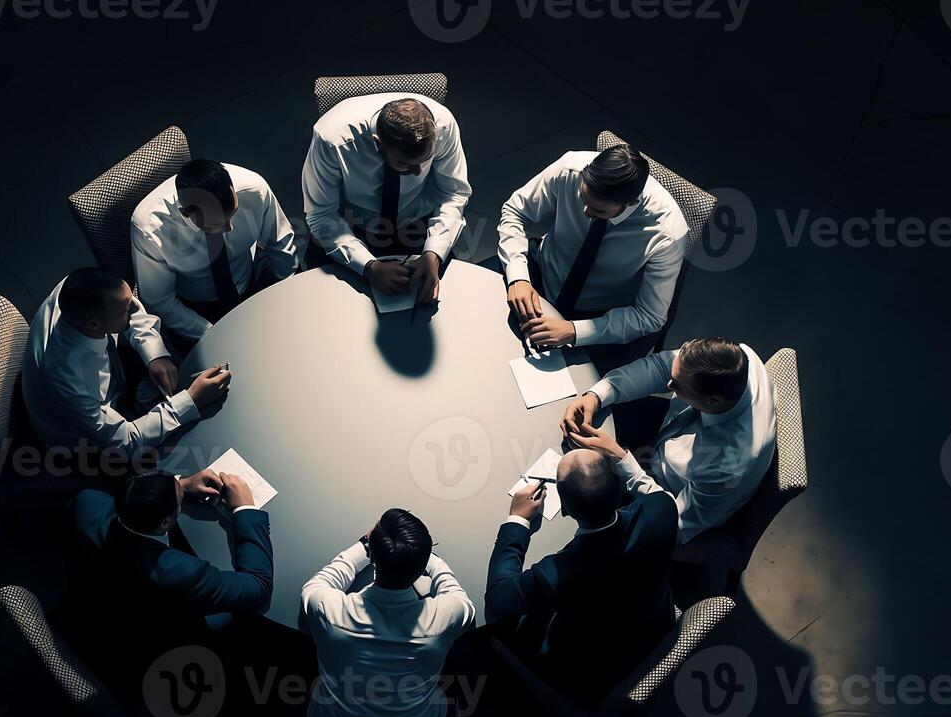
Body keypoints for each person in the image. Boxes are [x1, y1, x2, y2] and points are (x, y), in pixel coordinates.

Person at [486, 450, 679, 702]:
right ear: (620, 490)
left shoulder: (554, 576)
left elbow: (496, 603)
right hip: (656, 623)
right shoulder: (664, 508)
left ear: (564, 509)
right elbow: (651, 496)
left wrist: (517, 521)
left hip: (594, 670)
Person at [60, 469, 272, 690]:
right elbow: (259, 585)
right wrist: (244, 508)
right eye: (178, 501)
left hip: (94, 598)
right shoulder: (184, 573)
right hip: (149, 641)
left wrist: (182, 484)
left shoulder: (86, 502)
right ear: (165, 522)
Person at [560, 337, 776, 547]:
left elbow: (675, 525)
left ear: (713, 401)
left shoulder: (729, 465)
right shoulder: (738, 356)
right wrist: (596, 396)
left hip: (666, 494)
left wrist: (621, 460)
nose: (668, 384)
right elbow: (660, 369)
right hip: (664, 434)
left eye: (677, 387)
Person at [299, 508, 476, 717]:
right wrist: (424, 556)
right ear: (422, 564)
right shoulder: (446, 614)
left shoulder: (327, 608)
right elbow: (458, 595)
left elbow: (320, 581)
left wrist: (364, 545)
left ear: (373, 556)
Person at [19, 268, 231, 454]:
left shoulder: (76, 289)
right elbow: (125, 442)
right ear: (94, 325)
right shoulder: (69, 377)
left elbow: (132, 311)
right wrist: (191, 400)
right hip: (82, 442)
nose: (133, 309)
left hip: (114, 375)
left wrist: (154, 353)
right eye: (124, 310)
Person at [497, 144, 687, 350]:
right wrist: (518, 276)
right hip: (539, 273)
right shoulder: (569, 170)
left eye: (598, 210)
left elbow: (650, 316)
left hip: (599, 316)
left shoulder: (668, 232)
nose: (586, 211)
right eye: (583, 198)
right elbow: (515, 211)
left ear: (630, 204)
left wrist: (574, 331)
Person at [301, 94, 471, 305]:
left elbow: (453, 193)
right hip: (352, 227)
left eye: (424, 161)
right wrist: (368, 266)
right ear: (378, 143)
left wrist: (434, 252)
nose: (418, 172)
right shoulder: (332, 139)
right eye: (405, 163)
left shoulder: (443, 126)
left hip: (418, 224)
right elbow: (320, 214)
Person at [131, 158, 299, 343]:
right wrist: (213, 335)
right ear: (186, 213)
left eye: (233, 213)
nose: (229, 228)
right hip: (196, 308)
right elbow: (161, 302)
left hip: (249, 278)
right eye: (216, 225)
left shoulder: (254, 190)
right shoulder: (149, 229)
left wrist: (289, 292)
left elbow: (279, 242)